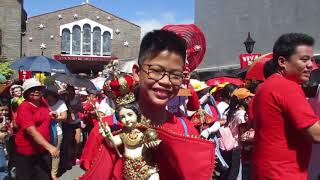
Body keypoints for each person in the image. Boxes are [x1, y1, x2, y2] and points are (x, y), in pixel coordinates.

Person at [80, 29, 215, 180]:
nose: (165, 81)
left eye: (176, 75)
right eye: (156, 71)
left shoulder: (187, 130)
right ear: (137, 73)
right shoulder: (106, 129)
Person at [252, 33, 320, 179]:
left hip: (267, 172)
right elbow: (316, 134)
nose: (310, 65)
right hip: (284, 174)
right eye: (304, 59)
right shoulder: (287, 87)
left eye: (312, 60)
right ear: (282, 61)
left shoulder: (264, 87)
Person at [15, 78, 59, 180]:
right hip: (27, 151)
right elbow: (31, 131)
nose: (36, 91)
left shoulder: (42, 101)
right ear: (26, 93)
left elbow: (48, 111)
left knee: (45, 177)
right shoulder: (24, 107)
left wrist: (52, 113)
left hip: (42, 150)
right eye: (32, 89)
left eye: (38, 88)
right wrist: (50, 147)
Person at [43, 85, 68, 180]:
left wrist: (56, 117)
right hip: (45, 132)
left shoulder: (61, 103)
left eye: (49, 94)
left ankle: (54, 173)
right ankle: (46, 171)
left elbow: (65, 117)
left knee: (55, 153)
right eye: (46, 94)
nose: (47, 96)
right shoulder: (43, 103)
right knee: (46, 153)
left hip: (57, 132)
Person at [0, 98, 12, 180]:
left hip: (4, 147)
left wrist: (7, 133)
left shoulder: (6, 121)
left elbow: (9, 134)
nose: (4, 112)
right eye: (1, 110)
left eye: (6, 110)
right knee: (2, 169)